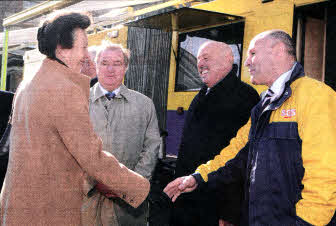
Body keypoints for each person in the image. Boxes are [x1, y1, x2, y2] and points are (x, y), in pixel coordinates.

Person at [164, 30, 336, 225]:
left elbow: (328, 179)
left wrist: (306, 222)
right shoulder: (263, 106)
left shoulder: (317, 97)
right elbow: (235, 154)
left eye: (252, 53)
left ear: (278, 51)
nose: (246, 62)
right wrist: (198, 177)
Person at [0, 11, 150, 226]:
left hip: (19, 205)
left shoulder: (28, 83)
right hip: (48, 210)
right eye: (83, 47)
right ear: (62, 49)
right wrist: (140, 187)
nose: (87, 56)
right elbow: (91, 156)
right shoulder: (64, 90)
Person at [172, 41, 259, 226]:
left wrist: (230, 212)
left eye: (206, 58)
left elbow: (243, 158)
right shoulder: (201, 95)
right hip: (189, 194)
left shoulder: (246, 97)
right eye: (198, 60)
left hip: (216, 204)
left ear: (227, 60)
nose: (200, 64)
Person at [84, 41, 161, 226]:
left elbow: (151, 148)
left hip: (129, 205)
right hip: (86, 200)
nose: (110, 69)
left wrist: (126, 184)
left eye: (117, 63)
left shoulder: (144, 105)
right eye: (104, 63)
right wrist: (94, 183)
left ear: (126, 67)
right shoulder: (78, 102)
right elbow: (68, 150)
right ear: (96, 66)